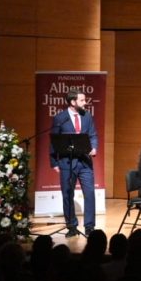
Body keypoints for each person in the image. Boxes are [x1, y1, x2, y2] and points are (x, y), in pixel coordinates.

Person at [50, 89, 98, 237]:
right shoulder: (60, 118)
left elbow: (93, 135)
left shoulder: (87, 116)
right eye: (82, 100)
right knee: (67, 194)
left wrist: (94, 147)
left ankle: (89, 227)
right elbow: (53, 142)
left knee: (89, 194)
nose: (85, 102)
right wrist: (54, 162)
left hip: (84, 162)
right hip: (67, 162)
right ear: (73, 102)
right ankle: (71, 226)